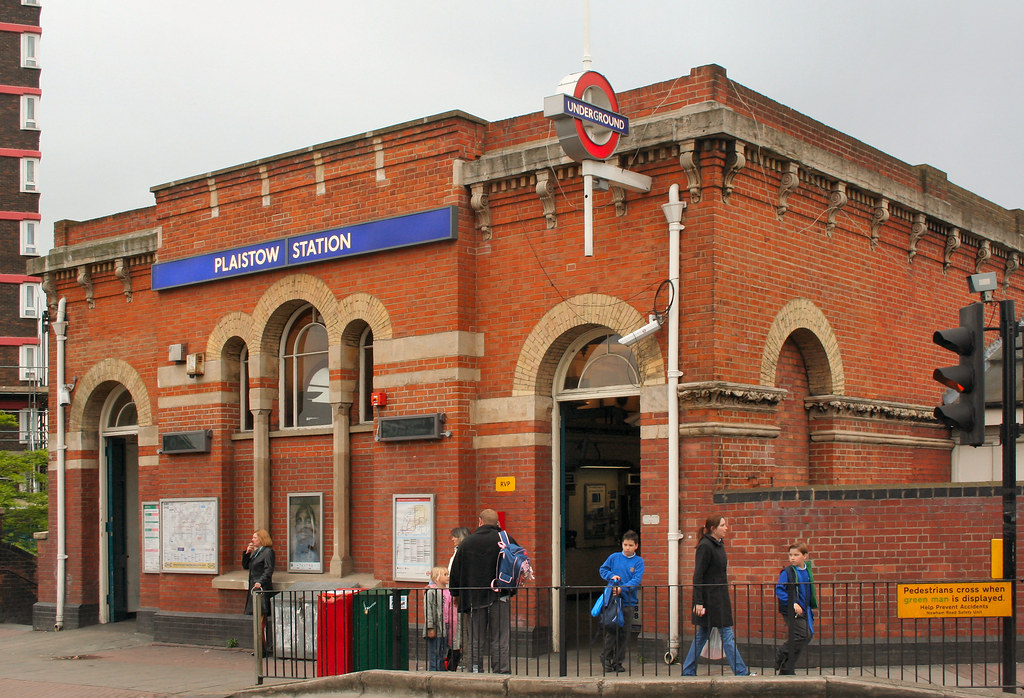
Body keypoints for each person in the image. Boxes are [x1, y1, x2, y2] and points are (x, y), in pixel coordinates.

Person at [682, 515, 754, 676]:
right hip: (711, 600)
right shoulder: (706, 546)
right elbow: (698, 575)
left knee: (702, 636)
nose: (726, 528)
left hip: (718, 597)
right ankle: (741, 672)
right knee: (727, 635)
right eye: (723, 525)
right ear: (713, 528)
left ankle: (688, 670)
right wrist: (699, 602)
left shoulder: (718, 545)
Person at [449, 509, 515, 673]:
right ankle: (501, 671)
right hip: (500, 595)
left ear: (480, 521)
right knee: (500, 638)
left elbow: (455, 572)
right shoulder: (505, 539)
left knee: (475, 640)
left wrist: (455, 594)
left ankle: (476, 670)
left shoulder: (467, 542)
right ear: (497, 523)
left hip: (474, 598)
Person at [599, 530, 644, 673]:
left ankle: (618, 662)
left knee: (624, 634)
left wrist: (622, 589)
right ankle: (606, 658)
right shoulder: (614, 557)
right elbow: (603, 569)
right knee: (611, 631)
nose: (627, 548)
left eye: (630, 545)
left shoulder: (638, 561)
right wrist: (612, 576)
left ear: (636, 546)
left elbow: (636, 580)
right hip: (613, 602)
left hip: (628, 602)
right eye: (625, 545)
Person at [774, 542, 817, 675]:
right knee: (803, 635)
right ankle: (782, 652)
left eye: (796, 555)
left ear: (805, 556)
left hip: (805, 609)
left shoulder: (807, 571)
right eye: (790, 555)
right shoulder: (787, 572)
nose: (792, 558)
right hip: (791, 609)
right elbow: (779, 589)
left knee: (807, 636)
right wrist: (792, 603)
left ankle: (787, 668)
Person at [242, 529, 275, 655]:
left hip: (261, 590)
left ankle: (262, 649)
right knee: (257, 619)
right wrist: (247, 553)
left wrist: (260, 581)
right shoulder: (256, 553)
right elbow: (246, 566)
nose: (252, 540)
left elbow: (268, 569)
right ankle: (260, 647)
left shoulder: (268, 552)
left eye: (255, 538)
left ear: (261, 539)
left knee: (261, 620)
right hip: (254, 590)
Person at [424, 565, 453, 671]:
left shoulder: (449, 591)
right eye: (445, 575)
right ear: (436, 578)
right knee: (435, 652)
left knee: (442, 652)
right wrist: (430, 627)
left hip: (446, 624)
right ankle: (433, 672)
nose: (448, 577)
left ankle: (440, 672)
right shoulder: (431, 592)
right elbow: (428, 610)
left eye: (448, 574)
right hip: (436, 625)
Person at [290, 500, 319, 565]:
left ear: (314, 527)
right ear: (295, 527)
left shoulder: (315, 557)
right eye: (299, 521)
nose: (303, 526)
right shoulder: (291, 557)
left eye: (308, 521)